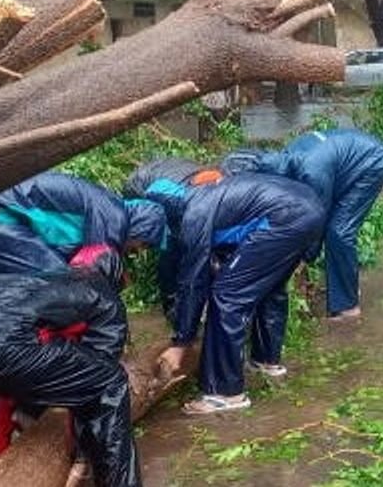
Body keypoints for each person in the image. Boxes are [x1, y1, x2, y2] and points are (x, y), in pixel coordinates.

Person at [0, 250, 139, 486]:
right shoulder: (103, 293)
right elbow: (93, 386)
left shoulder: (33, 277)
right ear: (115, 275)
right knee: (111, 384)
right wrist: (83, 457)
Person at [125, 159, 326, 415]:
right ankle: (265, 362)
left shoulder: (193, 216)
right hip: (307, 206)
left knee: (228, 295)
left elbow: (192, 282)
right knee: (268, 286)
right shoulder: (201, 196)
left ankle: (225, 393)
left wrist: (181, 343)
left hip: (284, 216)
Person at [221, 129, 383, 320]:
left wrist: (303, 258)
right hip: (347, 159)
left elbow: (315, 223)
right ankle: (346, 284)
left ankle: (348, 308)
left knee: (338, 231)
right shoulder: (285, 159)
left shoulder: (311, 172)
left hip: (373, 162)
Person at [0, 171, 168, 280]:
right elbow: (93, 275)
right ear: (141, 226)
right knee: (63, 285)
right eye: (143, 244)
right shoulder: (114, 217)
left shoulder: (105, 208)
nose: (138, 251)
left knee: (12, 297)